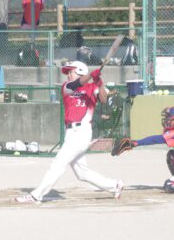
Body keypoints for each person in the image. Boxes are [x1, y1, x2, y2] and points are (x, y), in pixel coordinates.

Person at [15, 60, 123, 203]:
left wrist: (99, 81)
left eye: (71, 72)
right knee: (82, 173)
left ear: (79, 72)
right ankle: (114, 185)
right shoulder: (67, 87)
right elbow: (77, 84)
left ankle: (36, 195)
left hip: (82, 132)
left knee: (58, 163)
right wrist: (91, 74)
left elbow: (103, 99)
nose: (68, 75)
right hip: (71, 133)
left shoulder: (92, 87)